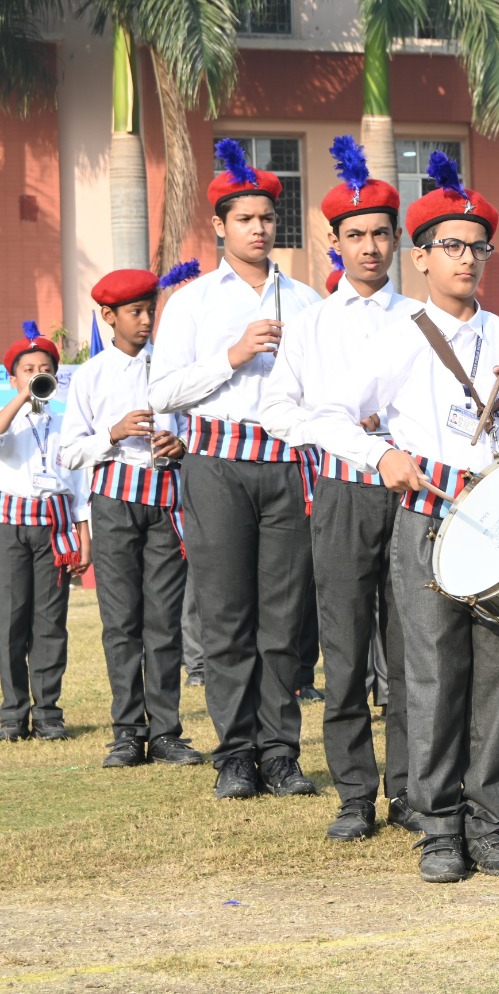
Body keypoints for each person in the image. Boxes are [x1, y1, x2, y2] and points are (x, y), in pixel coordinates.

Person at [308, 151, 499, 882]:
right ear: (419, 258)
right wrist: (377, 454)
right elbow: (327, 414)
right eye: (450, 246)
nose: (467, 259)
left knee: (494, 675)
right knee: (432, 674)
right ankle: (438, 826)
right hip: (425, 517)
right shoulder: (396, 335)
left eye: (477, 246)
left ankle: (487, 820)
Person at [259, 136, 422, 841]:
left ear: (396, 238)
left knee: (414, 646)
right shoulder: (311, 325)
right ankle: (355, 793)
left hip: (413, 492)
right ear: (332, 240)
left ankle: (413, 789)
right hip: (343, 492)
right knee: (348, 648)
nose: (368, 247)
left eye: (380, 234)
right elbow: (275, 410)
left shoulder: (423, 321)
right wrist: (345, 433)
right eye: (354, 235)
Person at [149, 139, 323, 800]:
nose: (258, 228)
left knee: (283, 617)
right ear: (219, 226)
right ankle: (235, 752)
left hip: (286, 466)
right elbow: (160, 394)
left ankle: (281, 751)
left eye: (266, 218)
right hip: (217, 461)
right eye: (244, 219)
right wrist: (231, 355)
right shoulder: (192, 303)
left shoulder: (306, 302)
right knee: (224, 613)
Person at [59, 264, 203, 768]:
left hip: (166, 499)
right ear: (108, 315)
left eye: (150, 310)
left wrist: (180, 443)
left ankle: (165, 732)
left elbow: (195, 433)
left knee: (165, 621)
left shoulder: (172, 367)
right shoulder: (90, 376)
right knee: (121, 620)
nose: (146, 320)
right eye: (136, 312)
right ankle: (127, 731)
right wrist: (113, 433)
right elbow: (68, 453)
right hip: (114, 500)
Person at [0, 323, 90, 741]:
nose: (37, 374)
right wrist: (23, 397)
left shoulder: (64, 420)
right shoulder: (9, 417)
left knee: (50, 623)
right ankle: (13, 713)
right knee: (10, 621)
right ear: (13, 376)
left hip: (54, 527)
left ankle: (49, 712)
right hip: (11, 527)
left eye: (45, 368)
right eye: (28, 369)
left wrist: (83, 539)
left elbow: (78, 485)